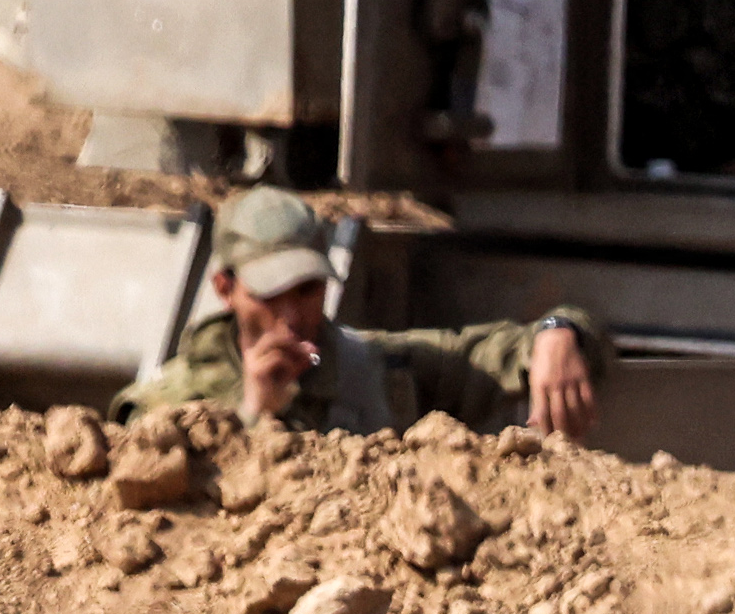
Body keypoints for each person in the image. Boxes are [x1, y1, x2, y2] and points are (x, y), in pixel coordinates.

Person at [116, 188, 599, 439]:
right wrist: (252, 416)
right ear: (226, 289)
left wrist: (559, 332)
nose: (292, 315)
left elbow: (490, 354)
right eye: (270, 294)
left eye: (307, 290)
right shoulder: (166, 407)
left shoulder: (375, 368)